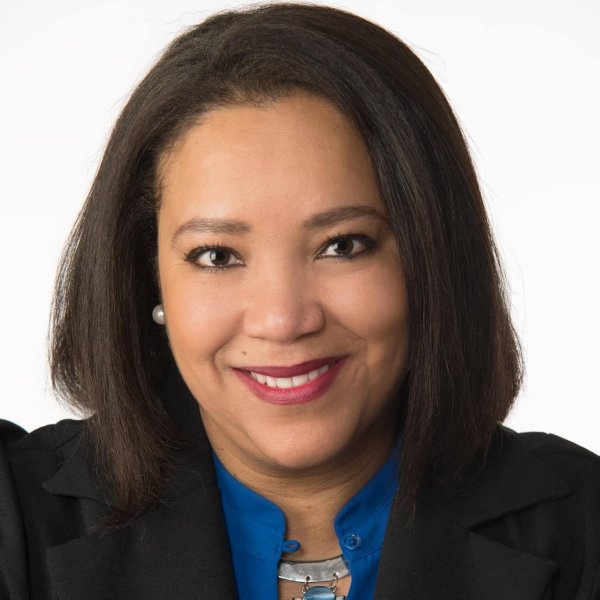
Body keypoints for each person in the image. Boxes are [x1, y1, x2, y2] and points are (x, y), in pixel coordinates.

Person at [1, 3, 599, 599]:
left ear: (432, 260)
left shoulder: (586, 529)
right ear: (147, 279)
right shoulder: (13, 515)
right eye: (217, 255)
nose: (282, 319)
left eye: (343, 246)